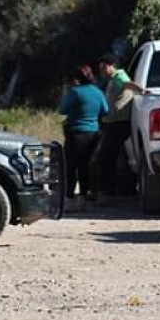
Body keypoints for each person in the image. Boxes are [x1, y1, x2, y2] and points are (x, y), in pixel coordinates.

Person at [96, 54, 146, 202]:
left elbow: (128, 84)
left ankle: (108, 191)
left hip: (118, 123)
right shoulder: (114, 79)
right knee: (116, 157)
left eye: (104, 68)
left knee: (105, 157)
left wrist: (142, 90)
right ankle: (120, 189)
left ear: (111, 65)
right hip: (115, 122)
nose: (102, 72)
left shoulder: (119, 76)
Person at [58, 64, 108, 212]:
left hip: (75, 133)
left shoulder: (74, 92)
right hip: (92, 134)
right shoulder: (98, 92)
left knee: (71, 167)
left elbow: (62, 109)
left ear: (75, 78)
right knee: (85, 167)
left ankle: (69, 199)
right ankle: (83, 199)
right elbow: (105, 110)